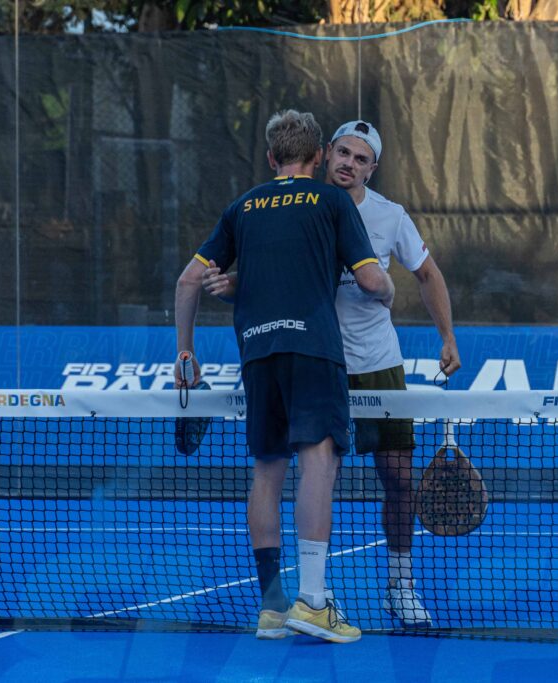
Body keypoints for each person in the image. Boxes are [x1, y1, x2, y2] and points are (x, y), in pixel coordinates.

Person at [203, 120, 461, 629]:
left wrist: (447, 336)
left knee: (398, 478)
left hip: (378, 363)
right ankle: (318, 594)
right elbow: (264, 278)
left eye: (361, 159)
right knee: (321, 476)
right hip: (319, 362)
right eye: (343, 153)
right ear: (326, 155)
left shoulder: (390, 216)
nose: (349, 163)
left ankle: (401, 586)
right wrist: (229, 284)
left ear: (372, 168)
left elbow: (427, 273)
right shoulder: (299, 206)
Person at [175, 109, 394, 644]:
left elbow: (188, 281)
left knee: (267, 472)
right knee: (318, 463)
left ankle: (273, 608)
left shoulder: (242, 207)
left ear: (272, 158)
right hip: (314, 350)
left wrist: (186, 352)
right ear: (319, 157)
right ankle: (314, 602)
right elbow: (370, 281)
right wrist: (388, 289)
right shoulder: (333, 201)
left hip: (257, 353)